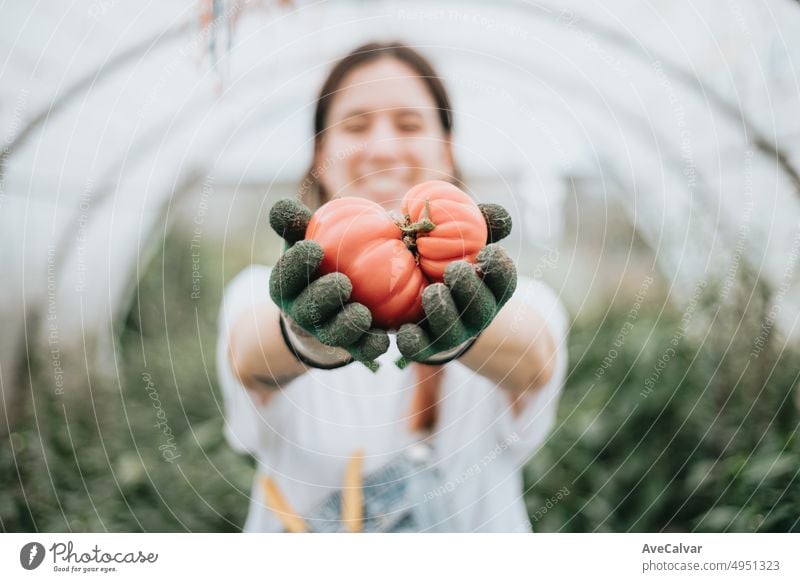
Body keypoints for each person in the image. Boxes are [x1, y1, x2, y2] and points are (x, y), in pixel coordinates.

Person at [216, 42, 569, 532]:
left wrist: (469, 329)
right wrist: (302, 334)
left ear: (446, 148)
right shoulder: (261, 292)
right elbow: (250, 359)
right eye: (355, 126)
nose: (381, 149)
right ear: (322, 150)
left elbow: (534, 357)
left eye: (409, 124)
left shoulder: (523, 300)